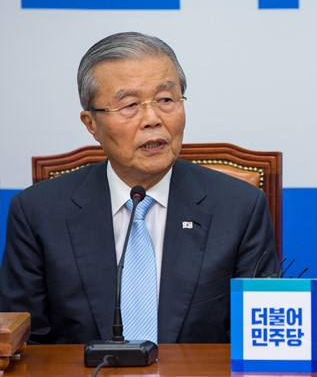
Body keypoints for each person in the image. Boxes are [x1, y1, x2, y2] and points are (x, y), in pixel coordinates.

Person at [0, 32, 279, 344]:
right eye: (130, 105)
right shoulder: (37, 213)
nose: (152, 119)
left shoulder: (239, 208)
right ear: (91, 124)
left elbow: (260, 341)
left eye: (166, 100)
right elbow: (23, 346)